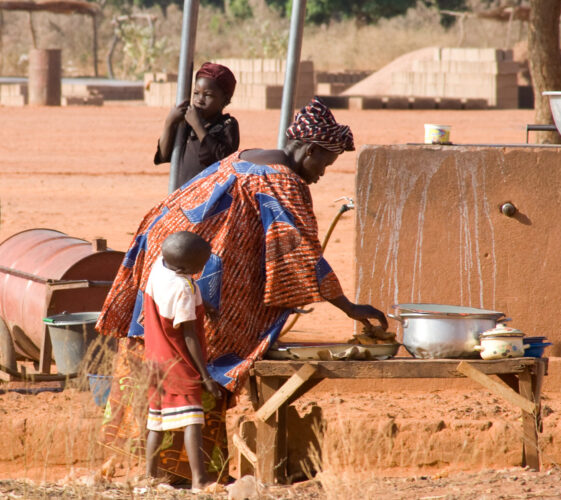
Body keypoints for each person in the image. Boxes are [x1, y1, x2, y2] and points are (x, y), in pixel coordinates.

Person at [97, 97, 387, 482]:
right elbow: (299, 252)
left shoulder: (252, 156)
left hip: (160, 260)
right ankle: (197, 475)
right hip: (190, 272)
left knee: (158, 366)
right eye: (324, 164)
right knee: (202, 364)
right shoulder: (284, 181)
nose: (320, 174)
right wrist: (349, 308)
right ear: (311, 149)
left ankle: (160, 472)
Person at [143, 231, 222, 489]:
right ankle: (199, 479)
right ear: (185, 268)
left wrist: (204, 304)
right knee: (192, 419)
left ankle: (150, 475)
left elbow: (177, 294)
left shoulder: (159, 267)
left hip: (155, 358)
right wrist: (205, 377)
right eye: (201, 265)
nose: (203, 268)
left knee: (156, 420)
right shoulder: (183, 289)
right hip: (178, 361)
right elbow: (189, 336)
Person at [155, 62, 240, 188]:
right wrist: (169, 122)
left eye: (208, 95)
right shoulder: (185, 123)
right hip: (181, 196)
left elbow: (221, 159)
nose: (199, 99)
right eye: (196, 93)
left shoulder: (228, 125)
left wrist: (197, 125)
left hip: (208, 199)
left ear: (225, 100)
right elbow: (164, 155)